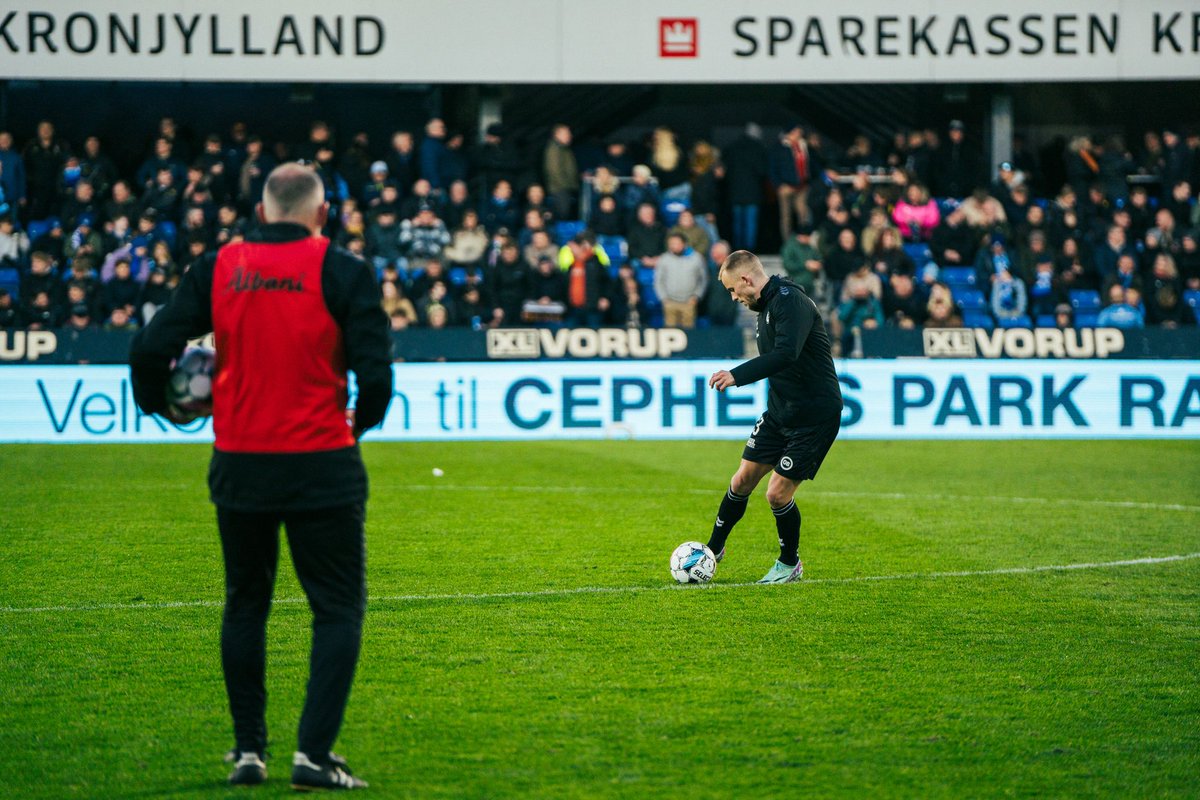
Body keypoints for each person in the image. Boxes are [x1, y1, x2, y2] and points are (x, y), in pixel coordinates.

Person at [129, 163, 392, 791]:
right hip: (322, 464)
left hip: (240, 462)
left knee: (245, 604)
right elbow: (376, 379)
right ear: (321, 214)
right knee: (336, 609)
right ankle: (312, 756)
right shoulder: (345, 271)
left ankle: (250, 751)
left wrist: (159, 406)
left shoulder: (219, 267)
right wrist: (355, 428)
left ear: (263, 212)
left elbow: (146, 350)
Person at [706, 250, 843, 584]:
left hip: (815, 416)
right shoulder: (764, 307)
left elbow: (785, 355)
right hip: (781, 412)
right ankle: (712, 550)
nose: (734, 297)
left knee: (777, 493)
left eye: (732, 290)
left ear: (746, 279)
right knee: (741, 481)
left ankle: (789, 563)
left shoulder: (790, 302)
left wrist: (737, 375)